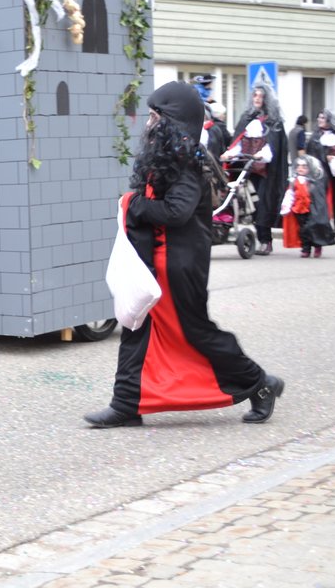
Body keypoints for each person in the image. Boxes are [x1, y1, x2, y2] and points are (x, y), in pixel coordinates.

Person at [83, 81, 284, 428]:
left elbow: (176, 212)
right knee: (137, 326)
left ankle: (260, 383)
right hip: (158, 260)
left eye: (155, 116)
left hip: (180, 265)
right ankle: (126, 404)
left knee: (196, 332)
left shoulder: (187, 161)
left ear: (171, 120)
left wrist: (133, 204)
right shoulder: (167, 155)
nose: (149, 123)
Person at [222, 85, 287, 255]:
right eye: (255, 95)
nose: (257, 98)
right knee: (249, 205)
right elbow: (239, 143)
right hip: (248, 170)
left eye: (261, 96)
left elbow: (272, 148)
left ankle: (266, 241)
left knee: (263, 204)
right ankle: (257, 238)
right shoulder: (246, 119)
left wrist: (261, 155)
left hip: (267, 172)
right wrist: (229, 154)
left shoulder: (274, 122)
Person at [305, 110, 335, 235]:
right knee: (320, 199)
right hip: (320, 172)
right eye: (319, 117)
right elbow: (310, 155)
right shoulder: (315, 135)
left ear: (329, 120)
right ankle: (323, 227)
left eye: (323, 118)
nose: (319, 120)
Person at [280, 154, 334, 258]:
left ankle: (317, 246)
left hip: (312, 209)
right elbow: (290, 194)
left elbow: (319, 197)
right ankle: (306, 249)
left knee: (314, 227)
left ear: (310, 168)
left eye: (304, 167)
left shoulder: (314, 182)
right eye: (299, 166)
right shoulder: (294, 181)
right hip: (299, 210)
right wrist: (286, 206)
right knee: (303, 230)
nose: (301, 169)